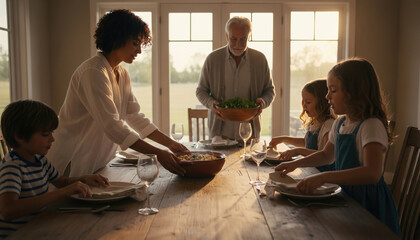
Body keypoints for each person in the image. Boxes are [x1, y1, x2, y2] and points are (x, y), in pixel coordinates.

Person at [47, 9, 187, 177]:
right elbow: (112, 125)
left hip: (99, 163)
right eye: (135, 43)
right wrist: (158, 153)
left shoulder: (121, 73)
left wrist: (171, 144)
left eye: (141, 44)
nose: (140, 51)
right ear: (117, 37)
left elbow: (135, 117)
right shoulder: (93, 71)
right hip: (73, 162)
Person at [275, 58, 401, 236]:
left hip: (368, 205)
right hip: (346, 196)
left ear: (354, 93)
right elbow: (326, 155)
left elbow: (372, 173)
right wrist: (295, 164)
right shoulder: (340, 122)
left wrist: (324, 177)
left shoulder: (370, 125)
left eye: (333, 90)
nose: (327, 97)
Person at [0, 100, 109, 238]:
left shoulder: (40, 160)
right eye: (45, 134)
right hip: (18, 234)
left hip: (38, 227)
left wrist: (85, 179)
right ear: (20, 136)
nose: (52, 139)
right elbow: (8, 210)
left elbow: (62, 182)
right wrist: (62, 193)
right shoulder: (12, 167)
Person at [196, 16, 275, 141]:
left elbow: (270, 91)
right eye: (234, 39)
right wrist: (211, 104)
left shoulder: (260, 60)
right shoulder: (212, 59)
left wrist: (263, 102)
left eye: (243, 39)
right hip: (219, 134)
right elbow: (201, 91)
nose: (238, 45)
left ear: (249, 37)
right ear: (227, 36)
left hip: (250, 133)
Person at [269, 79, 336, 171]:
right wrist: (283, 139)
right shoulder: (314, 122)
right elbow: (305, 142)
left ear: (323, 103)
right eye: (303, 102)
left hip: (321, 174)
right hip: (311, 169)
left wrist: (297, 151)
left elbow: (324, 155)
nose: (304, 106)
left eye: (308, 102)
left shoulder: (328, 125)